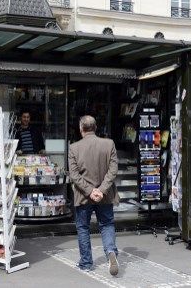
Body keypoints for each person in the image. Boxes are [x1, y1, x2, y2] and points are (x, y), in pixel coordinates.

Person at [68, 115, 119, 275]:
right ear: (95, 127)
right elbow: (113, 170)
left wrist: (90, 191)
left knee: (83, 228)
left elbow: (74, 175)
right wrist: (101, 190)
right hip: (105, 195)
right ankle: (110, 251)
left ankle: (86, 263)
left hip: (83, 196)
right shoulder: (109, 144)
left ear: (81, 129)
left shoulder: (74, 148)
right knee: (107, 224)